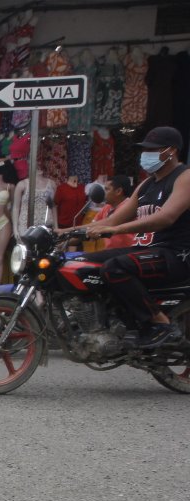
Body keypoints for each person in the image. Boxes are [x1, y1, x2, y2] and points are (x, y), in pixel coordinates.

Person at [84, 126, 190, 348]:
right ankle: (115, 320)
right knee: (86, 262)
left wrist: (117, 231)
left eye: (152, 149)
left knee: (115, 267)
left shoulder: (184, 177)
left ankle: (161, 324)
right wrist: (63, 232)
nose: (146, 154)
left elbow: (166, 218)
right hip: (150, 251)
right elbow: (112, 220)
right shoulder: (147, 184)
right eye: (145, 149)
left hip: (177, 254)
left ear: (171, 151)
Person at [96, 175, 135, 249]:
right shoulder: (106, 207)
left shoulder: (129, 206)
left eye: (107, 189)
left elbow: (110, 222)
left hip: (126, 252)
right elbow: (92, 225)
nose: (103, 193)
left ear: (118, 191)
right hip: (110, 252)